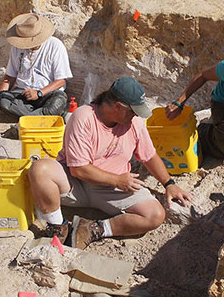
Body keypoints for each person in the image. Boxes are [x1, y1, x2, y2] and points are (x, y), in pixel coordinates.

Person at [27, 76, 193, 250]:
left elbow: (149, 155)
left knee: (155, 215)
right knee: (40, 169)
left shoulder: (134, 123)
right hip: (75, 184)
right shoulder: (83, 117)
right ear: (118, 107)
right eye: (133, 111)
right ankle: (57, 228)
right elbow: (79, 170)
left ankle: (93, 229)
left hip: (113, 191)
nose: (136, 115)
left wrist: (169, 183)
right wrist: (118, 180)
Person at [0, 13, 72, 118]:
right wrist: (1, 95)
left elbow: (61, 80)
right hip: (22, 94)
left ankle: (29, 117)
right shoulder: (16, 48)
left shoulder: (55, 46)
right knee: (4, 103)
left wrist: (39, 93)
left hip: (46, 94)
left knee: (58, 101)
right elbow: (10, 77)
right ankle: (42, 116)